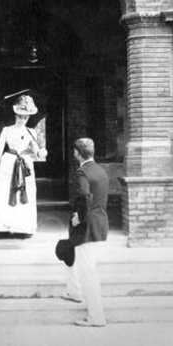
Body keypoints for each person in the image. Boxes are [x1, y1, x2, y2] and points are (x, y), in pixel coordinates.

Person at [63, 137, 109, 327]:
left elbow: (84, 195)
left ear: (76, 153)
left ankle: (96, 317)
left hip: (86, 226)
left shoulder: (82, 171)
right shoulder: (100, 170)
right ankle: (74, 292)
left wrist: (79, 217)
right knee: (73, 257)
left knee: (88, 272)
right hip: (99, 223)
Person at [0, 93, 47, 237]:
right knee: (5, 192)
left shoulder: (31, 132)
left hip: (25, 164)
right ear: (15, 115)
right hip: (8, 163)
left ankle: (23, 228)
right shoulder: (6, 130)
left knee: (25, 193)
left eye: (26, 117)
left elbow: (37, 152)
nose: (23, 120)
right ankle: (3, 228)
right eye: (20, 116)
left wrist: (41, 153)